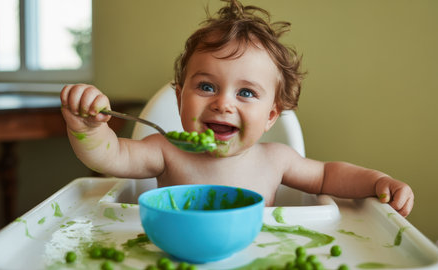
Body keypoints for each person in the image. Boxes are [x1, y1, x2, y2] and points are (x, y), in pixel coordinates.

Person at [60, 0, 413, 216]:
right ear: (180, 96)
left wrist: (377, 181)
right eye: (206, 86)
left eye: (246, 93)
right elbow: (109, 157)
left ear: (272, 115)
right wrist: (90, 128)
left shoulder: (276, 159)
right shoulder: (166, 151)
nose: (223, 102)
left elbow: (328, 176)